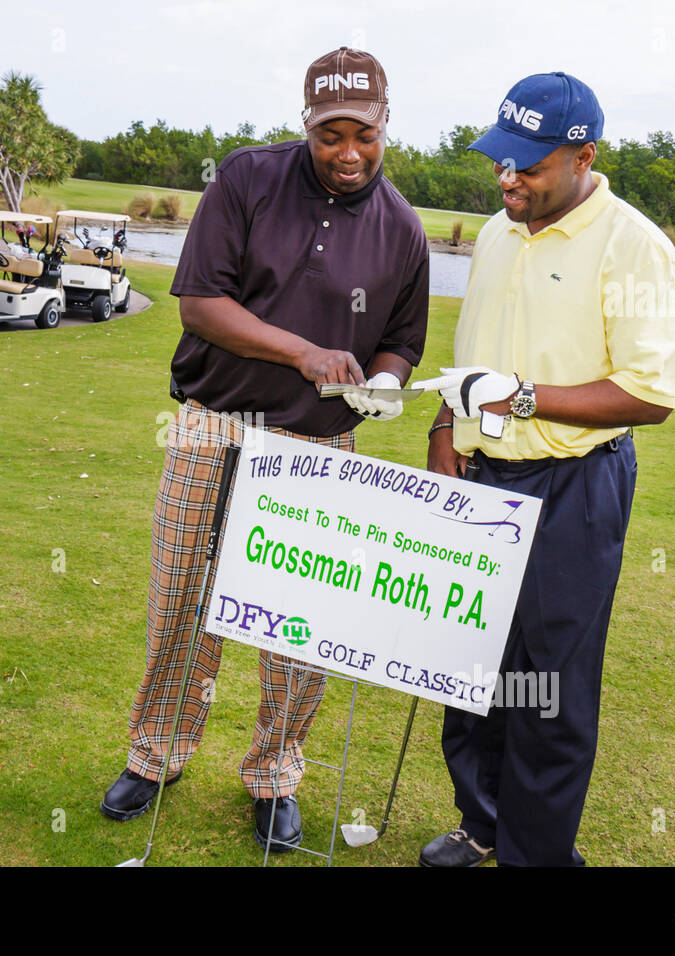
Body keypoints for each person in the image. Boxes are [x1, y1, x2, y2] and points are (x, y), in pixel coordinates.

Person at [100, 47, 430, 852]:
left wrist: (382, 384)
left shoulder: (404, 229)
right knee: (183, 601)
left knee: (298, 626)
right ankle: (157, 755)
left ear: (387, 124)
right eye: (330, 135)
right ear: (307, 125)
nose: (347, 152)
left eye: (363, 134)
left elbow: (400, 341)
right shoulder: (245, 178)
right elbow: (201, 307)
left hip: (320, 444)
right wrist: (303, 354)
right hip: (214, 422)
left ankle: (275, 775)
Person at [416, 72, 675, 867]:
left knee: (549, 687)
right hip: (484, 474)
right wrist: (446, 422)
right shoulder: (500, 231)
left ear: (583, 157)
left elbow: (648, 393)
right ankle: (482, 819)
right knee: (475, 667)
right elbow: (478, 354)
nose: (508, 178)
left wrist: (521, 398)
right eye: (502, 160)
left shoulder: (634, 245)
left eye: (529, 165)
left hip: (574, 487)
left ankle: (535, 853)